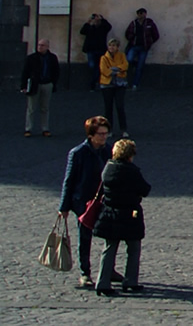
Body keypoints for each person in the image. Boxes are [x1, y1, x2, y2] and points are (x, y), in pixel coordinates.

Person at [60, 115, 112, 288]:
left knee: (110, 235)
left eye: (106, 133)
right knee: (85, 237)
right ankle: (85, 272)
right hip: (83, 201)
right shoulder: (78, 153)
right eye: (101, 134)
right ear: (91, 135)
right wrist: (64, 207)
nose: (104, 137)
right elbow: (69, 180)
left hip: (104, 200)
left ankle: (108, 269)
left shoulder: (108, 151)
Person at [93, 138, 150, 297]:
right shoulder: (131, 171)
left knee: (109, 247)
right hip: (129, 213)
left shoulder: (108, 168)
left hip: (110, 212)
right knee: (133, 247)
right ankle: (130, 281)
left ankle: (102, 282)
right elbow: (144, 189)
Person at [23, 39, 60, 137]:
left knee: (45, 108)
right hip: (35, 84)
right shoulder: (31, 58)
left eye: (42, 45)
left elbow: (56, 71)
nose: (40, 47)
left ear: (47, 47)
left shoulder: (52, 58)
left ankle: (45, 128)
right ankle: (28, 128)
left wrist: (53, 83)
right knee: (31, 108)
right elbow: (25, 72)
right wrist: (24, 86)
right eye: (39, 45)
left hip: (47, 83)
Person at [97, 39, 131, 136]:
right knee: (108, 108)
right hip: (107, 85)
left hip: (120, 84)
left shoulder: (121, 56)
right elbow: (104, 70)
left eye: (114, 45)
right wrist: (117, 70)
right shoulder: (103, 58)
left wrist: (113, 69)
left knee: (120, 106)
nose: (112, 47)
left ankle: (123, 129)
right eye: (110, 45)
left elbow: (125, 65)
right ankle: (108, 129)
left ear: (117, 47)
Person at [123, 8, 160, 89]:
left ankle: (135, 84)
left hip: (144, 47)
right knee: (128, 59)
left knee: (140, 67)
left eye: (142, 13)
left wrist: (150, 42)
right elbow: (127, 33)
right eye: (139, 13)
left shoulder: (149, 23)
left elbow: (156, 35)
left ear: (145, 14)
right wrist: (131, 39)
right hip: (134, 46)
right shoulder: (134, 23)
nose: (140, 15)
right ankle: (135, 64)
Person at [79, 13, 111, 89]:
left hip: (100, 50)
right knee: (92, 66)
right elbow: (82, 31)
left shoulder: (103, 28)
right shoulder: (90, 28)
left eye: (97, 19)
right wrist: (88, 22)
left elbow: (109, 26)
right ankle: (95, 81)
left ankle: (94, 83)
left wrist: (102, 19)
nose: (96, 21)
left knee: (99, 67)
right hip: (91, 50)